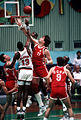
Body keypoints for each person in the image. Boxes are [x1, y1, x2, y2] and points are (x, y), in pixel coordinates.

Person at [27, 32, 53, 116]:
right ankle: (42, 106)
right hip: (35, 69)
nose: (40, 38)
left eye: (42, 37)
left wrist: (47, 61)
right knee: (34, 86)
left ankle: (61, 102)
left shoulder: (45, 50)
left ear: (44, 41)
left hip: (42, 69)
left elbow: (51, 61)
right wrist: (24, 27)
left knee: (52, 84)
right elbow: (29, 36)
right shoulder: (36, 44)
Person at [5, 41, 33, 119]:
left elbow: (11, 65)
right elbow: (28, 42)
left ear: (17, 47)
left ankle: (18, 109)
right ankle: (24, 108)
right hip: (30, 71)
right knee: (26, 91)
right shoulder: (27, 50)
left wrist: (8, 66)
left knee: (20, 91)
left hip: (22, 71)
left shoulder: (17, 54)